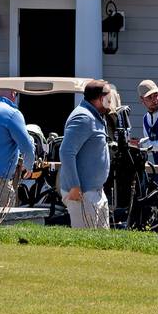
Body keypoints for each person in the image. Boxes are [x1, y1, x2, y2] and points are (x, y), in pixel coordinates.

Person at [58, 80, 113, 229]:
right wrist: (75, 187)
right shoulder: (83, 117)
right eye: (109, 97)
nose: (111, 101)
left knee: (101, 243)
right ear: (100, 99)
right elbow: (66, 152)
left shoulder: (95, 116)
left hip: (95, 191)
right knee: (84, 245)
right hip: (82, 193)